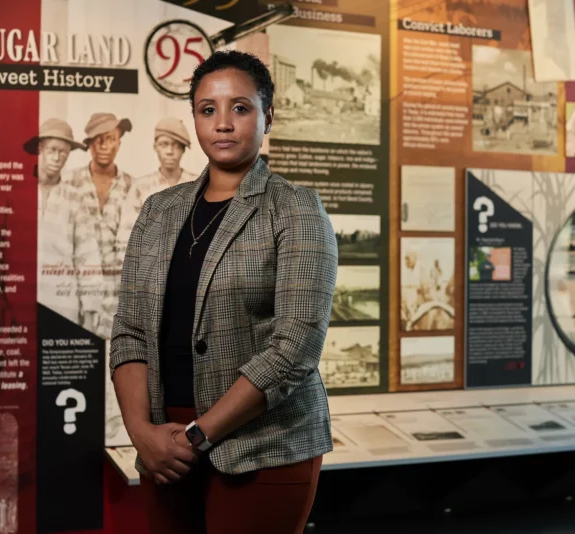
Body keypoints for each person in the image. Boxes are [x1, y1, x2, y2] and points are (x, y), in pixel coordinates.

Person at [109, 50, 337, 534]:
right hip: (162, 446)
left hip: (263, 443)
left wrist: (198, 434)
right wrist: (141, 433)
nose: (224, 123)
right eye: (208, 109)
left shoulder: (295, 209)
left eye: (241, 107)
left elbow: (296, 345)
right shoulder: (158, 210)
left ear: (267, 116)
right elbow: (129, 330)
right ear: (194, 118)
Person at [24, 118, 106, 334]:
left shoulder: (75, 199)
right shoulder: (18, 193)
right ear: (40, 149)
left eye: (64, 152)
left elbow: (88, 258)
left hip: (62, 308)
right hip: (19, 307)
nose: (57, 158)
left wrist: (89, 314)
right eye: (52, 150)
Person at [67, 112, 134, 338]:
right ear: (89, 144)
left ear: (119, 143)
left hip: (119, 297)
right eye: (98, 139)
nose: (105, 146)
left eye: (111, 138)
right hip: (76, 294)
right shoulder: (69, 183)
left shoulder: (132, 186)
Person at [115, 117, 199, 271]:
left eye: (176, 146)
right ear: (155, 147)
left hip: (191, 269)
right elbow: (125, 236)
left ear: (183, 149)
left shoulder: (197, 185)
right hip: (150, 272)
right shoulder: (140, 187)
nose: (169, 151)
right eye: (164, 144)